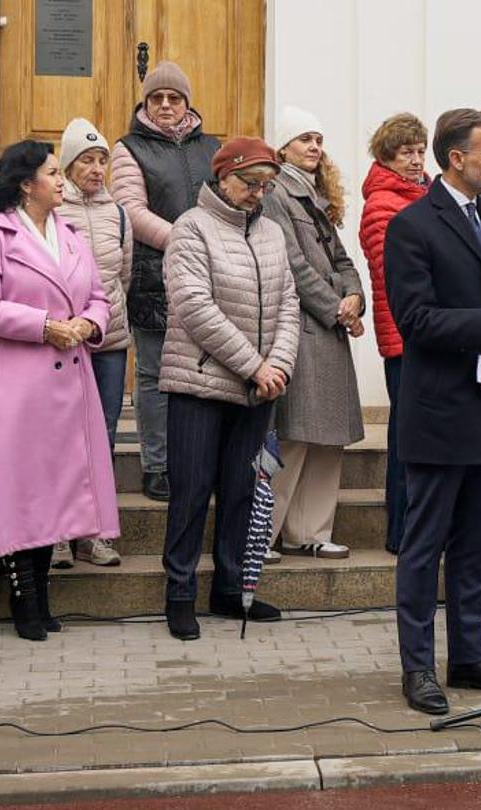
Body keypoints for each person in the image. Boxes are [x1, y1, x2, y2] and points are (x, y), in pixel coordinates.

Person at [383, 108, 481, 714]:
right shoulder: (412, 225)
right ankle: (418, 666)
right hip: (440, 411)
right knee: (425, 546)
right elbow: (414, 320)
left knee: (475, 546)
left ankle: (471, 656)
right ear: (456, 159)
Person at [0, 140, 121, 638]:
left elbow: (99, 297)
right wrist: (44, 325)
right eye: (53, 173)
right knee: (21, 489)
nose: (62, 180)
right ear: (27, 184)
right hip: (18, 382)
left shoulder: (69, 235)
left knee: (54, 489)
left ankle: (42, 596)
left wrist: (90, 325)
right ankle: (23, 598)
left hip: (69, 379)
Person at [157, 137, 300, 640]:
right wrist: (255, 366)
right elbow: (195, 307)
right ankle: (179, 595)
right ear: (222, 177)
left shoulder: (272, 233)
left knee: (241, 491)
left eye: (266, 185)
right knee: (192, 493)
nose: (257, 193)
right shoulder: (191, 228)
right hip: (199, 384)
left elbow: (289, 304)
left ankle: (231, 588)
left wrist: (278, 366)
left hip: (258, 389)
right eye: (249, 183)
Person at [109, 61, 222, 503]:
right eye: (157, 98)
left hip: (211, 275)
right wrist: (187, 239)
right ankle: (156, 465)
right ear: (146, 103)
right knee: (155, 374)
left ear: (187, 103)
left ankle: (197, 461)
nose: (165, 105)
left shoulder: (211, 147)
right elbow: (131, 211)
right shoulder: (129, 149)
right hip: (154, 276)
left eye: (174, 98)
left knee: (206, 374)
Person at [261, 106, 366, 561]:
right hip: (303, 330)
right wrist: (337, 308)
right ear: (283, 147)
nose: (315, 147)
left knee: (328, 440)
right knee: (295, 435)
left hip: (329, 331)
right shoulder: (275, 193)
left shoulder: (316, 196)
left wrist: (355, 296)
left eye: (319, 140)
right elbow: (292, 264)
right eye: (305, 139)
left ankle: (310, 532)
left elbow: (343, 259)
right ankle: (264, 535)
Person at [56, 117, 129, 568]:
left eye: (102, 160)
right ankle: (60, 535)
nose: (97, 168)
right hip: (64, 341)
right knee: (63, 436)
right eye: (87, 160)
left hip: (110, 339)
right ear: (68, 166)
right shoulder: (52, 211)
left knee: (103, 437)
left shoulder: (118, 213)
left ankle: (93, 533)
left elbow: (122, 274)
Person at [361, 112, 430, 555]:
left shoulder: (422, 195)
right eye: (407, 152)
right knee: (406, 437)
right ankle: (400, 532)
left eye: (420, 151)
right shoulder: (382, 203)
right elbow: (394, 271)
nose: (417, 160)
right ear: (387, 156)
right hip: (404, 334)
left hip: (424, 333)